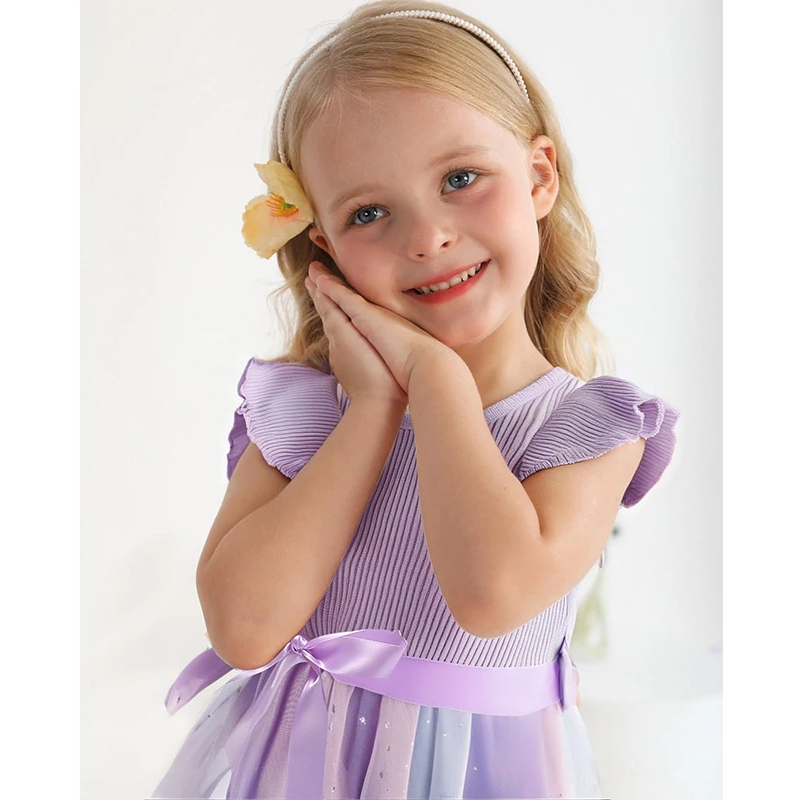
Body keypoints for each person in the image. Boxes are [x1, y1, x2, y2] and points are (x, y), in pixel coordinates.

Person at [150, 1, 680, 798]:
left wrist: (437, 383)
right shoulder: (309, 413)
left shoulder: (589, 428)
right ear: (325, 246)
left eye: (460, 179)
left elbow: (490, 594)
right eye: (369, 213)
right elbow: (243, 630)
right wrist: (372, 409)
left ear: (539, 176)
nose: (427, 237)